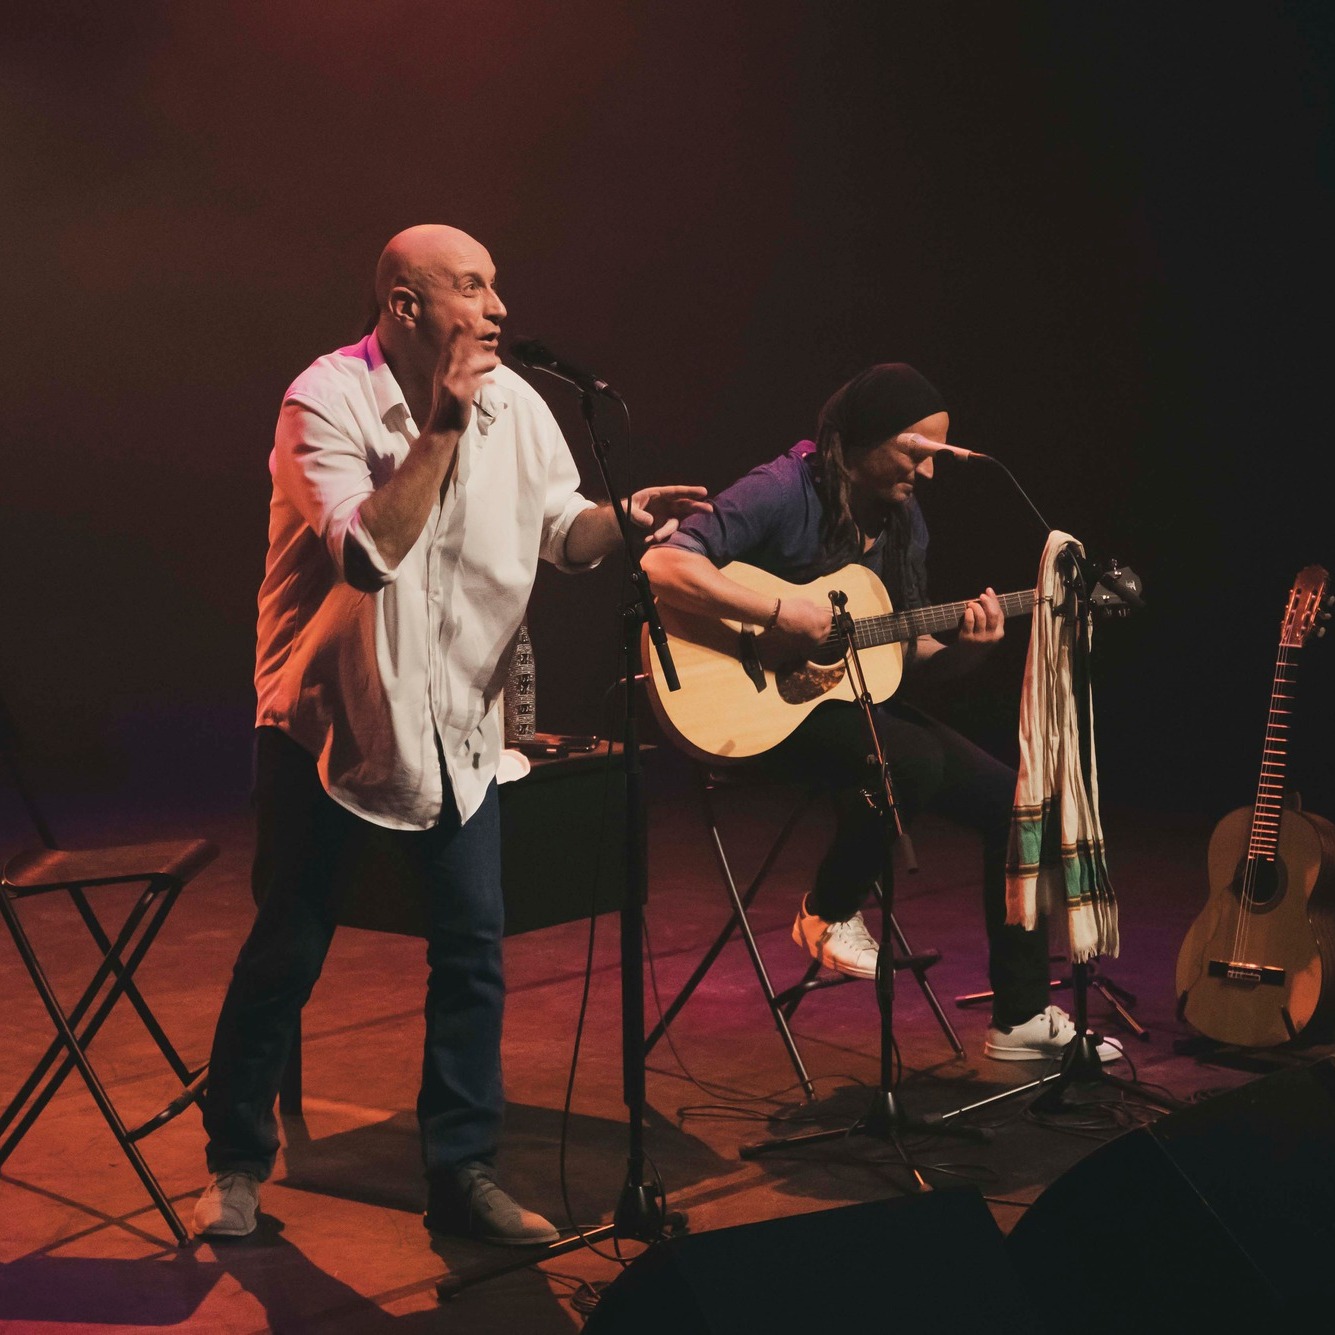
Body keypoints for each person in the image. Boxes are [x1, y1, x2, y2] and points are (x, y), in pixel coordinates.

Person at [192, 224, 708, 1244]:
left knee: (472, 954)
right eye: (472, 285)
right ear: (405, 305)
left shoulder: (519, 404)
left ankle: (461, 1172)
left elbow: (565, 529)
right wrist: (442, 425)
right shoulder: (324, 400)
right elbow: (368, 555)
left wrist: (624, 518)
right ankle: (236, 1162)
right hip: (330, 721)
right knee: (288, 948)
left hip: (460, 732)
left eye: (498, 283)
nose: (500, 306)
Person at [640, 363, 1120, 1064]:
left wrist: (968, 648)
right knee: (907, 759)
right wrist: (779, 611)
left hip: (844, 709)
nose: (925, 473)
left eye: (934, 457)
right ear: (859, 441)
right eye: (914, 453)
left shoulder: (901, 521)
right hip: (749, 710)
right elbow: (663, 567)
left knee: (1017, 802)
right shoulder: (780, 489)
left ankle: (1017, 1016)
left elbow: (906, 649)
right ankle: (827, 909)